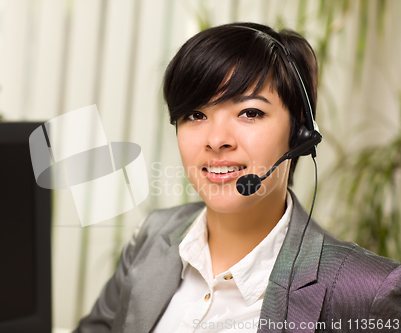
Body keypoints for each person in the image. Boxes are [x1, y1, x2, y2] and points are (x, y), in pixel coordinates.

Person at [73, 22, 401, 333]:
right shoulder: (152, 235)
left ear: (300, 133)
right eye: (195, 115)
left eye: (250, 112)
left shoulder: (366, 289)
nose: (217, 140)